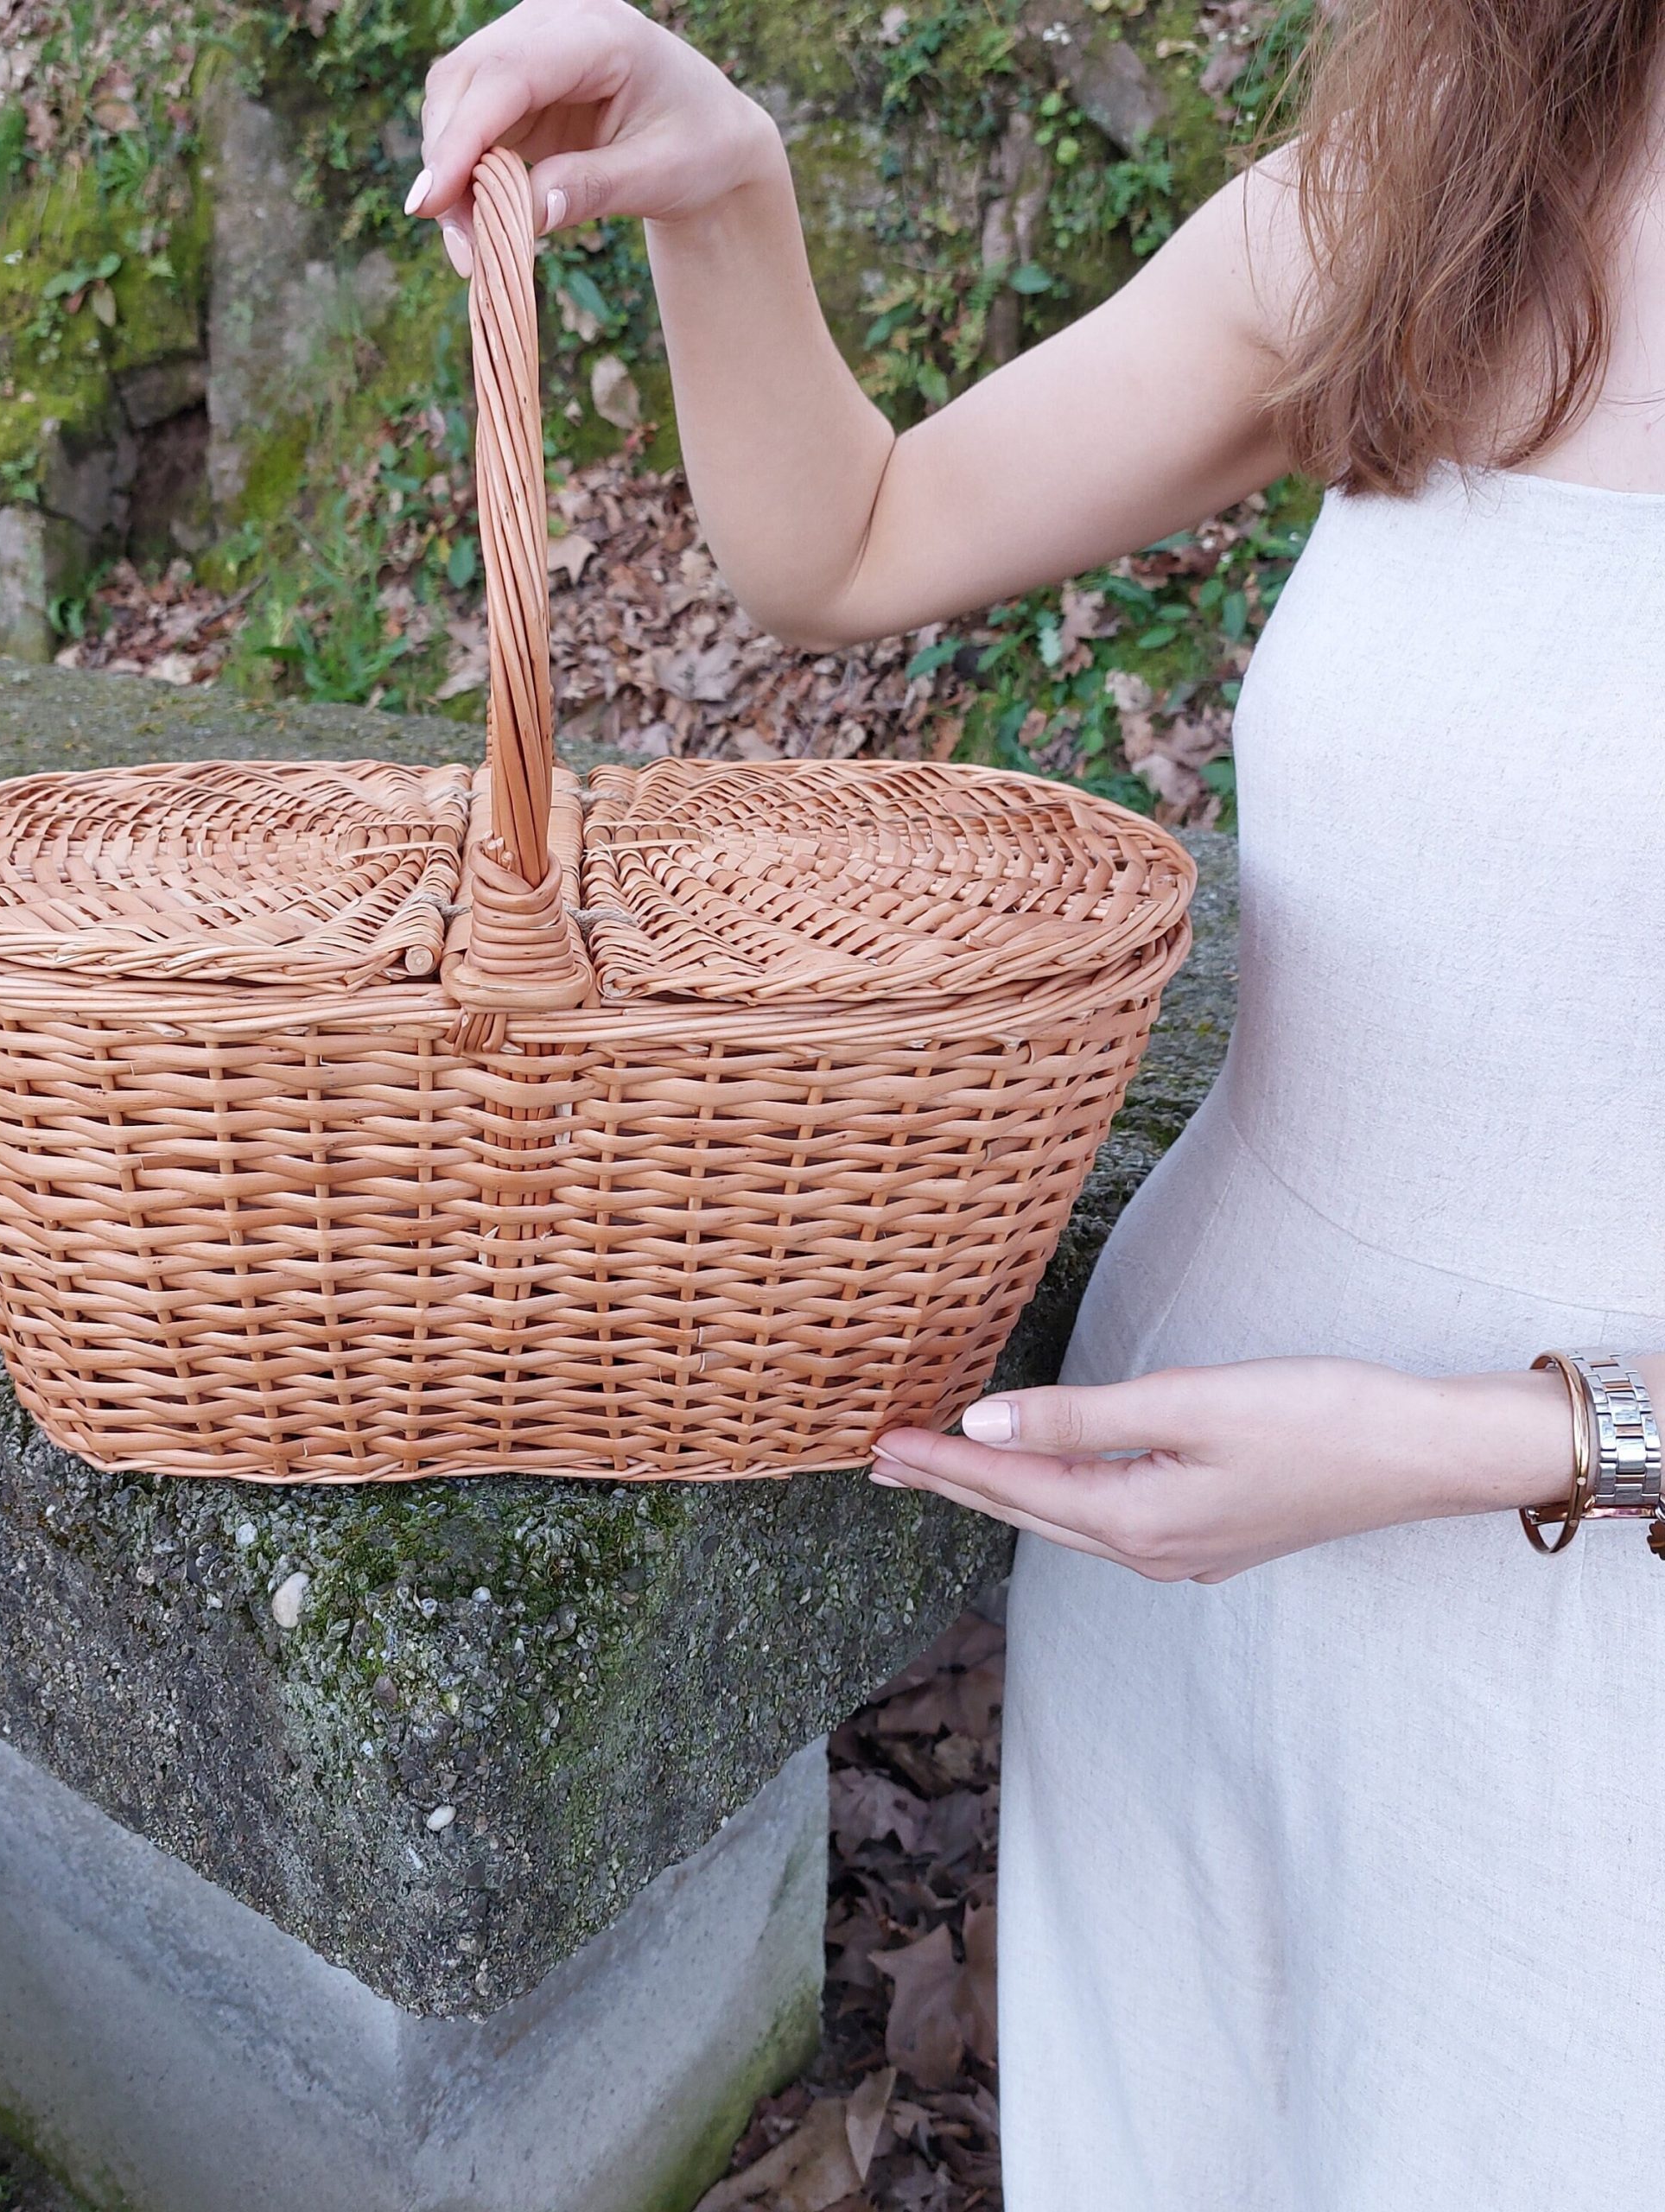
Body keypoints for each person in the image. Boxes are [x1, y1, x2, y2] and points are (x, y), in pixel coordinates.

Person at [408, 3, 1665, 2204]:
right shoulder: (1432, 188)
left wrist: (1478, 1444)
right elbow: (853, 539)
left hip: (1585, 1670)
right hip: (1189, 1560)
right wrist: (723, 192)